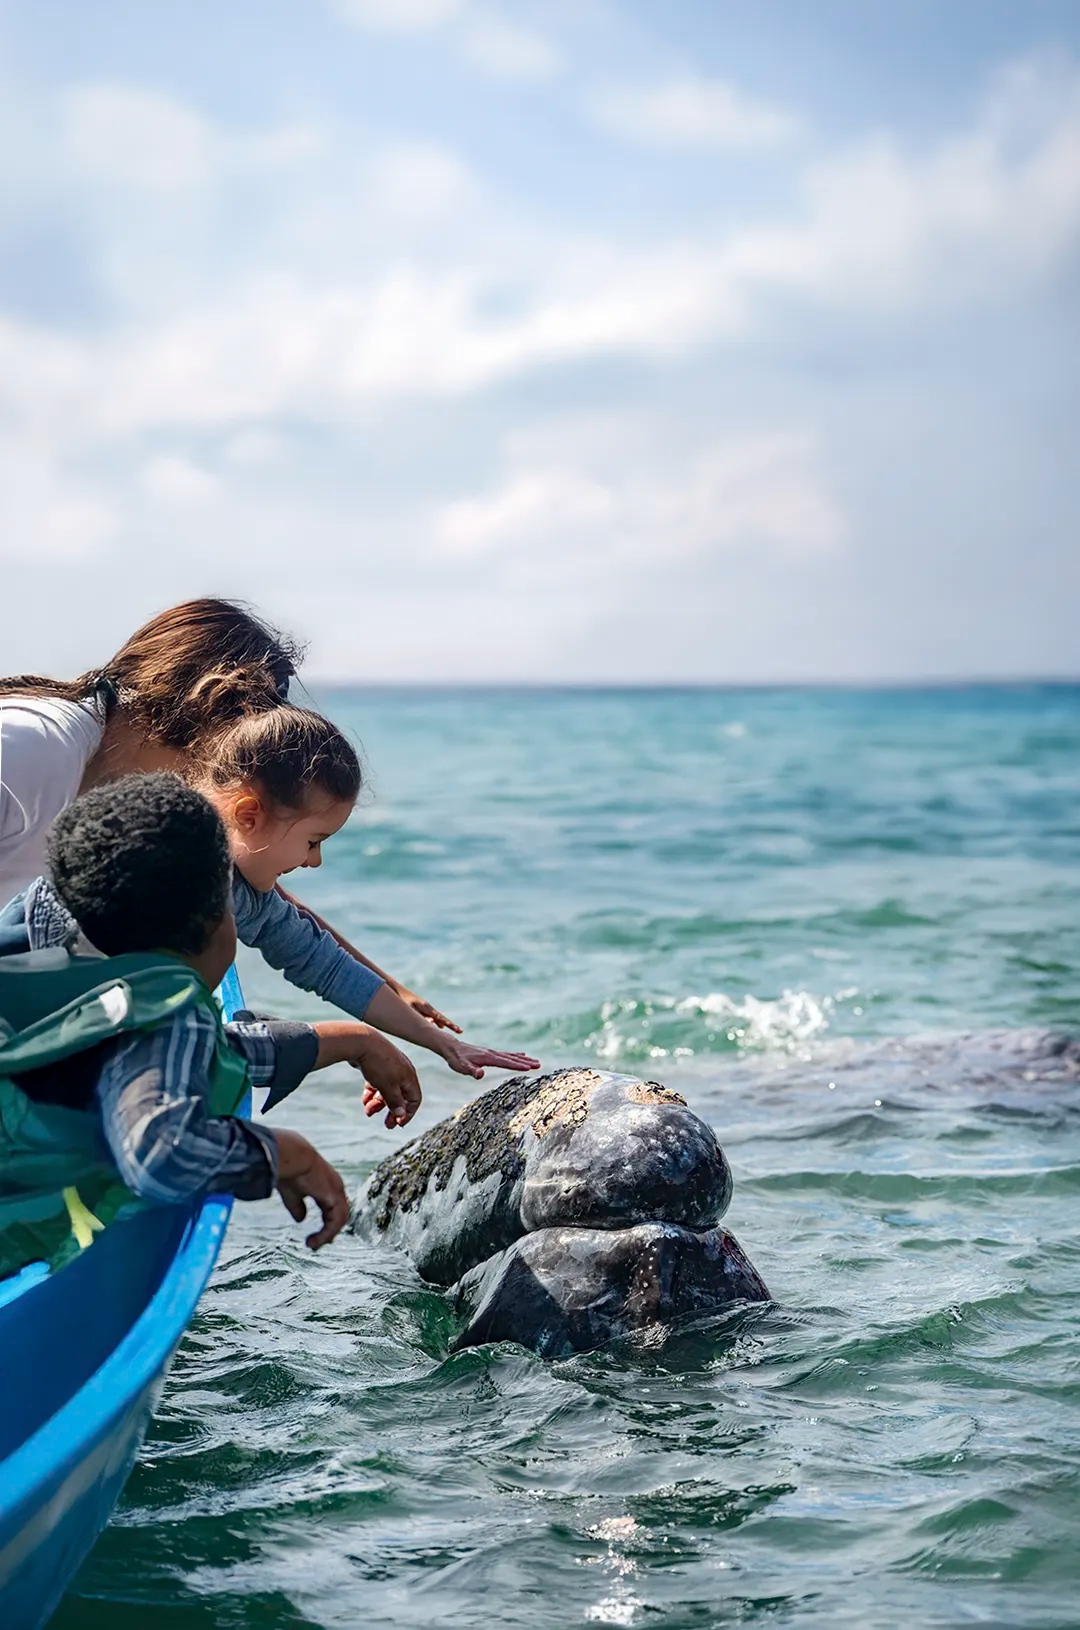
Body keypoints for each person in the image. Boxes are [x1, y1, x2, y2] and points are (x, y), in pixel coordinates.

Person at [0, 774, 423, 1280]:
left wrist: (353, 1041)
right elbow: (160, 1154)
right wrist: (284, 1154)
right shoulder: (160, 1016)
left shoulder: (63, 963)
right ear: (212, 923)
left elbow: (179, 1056)